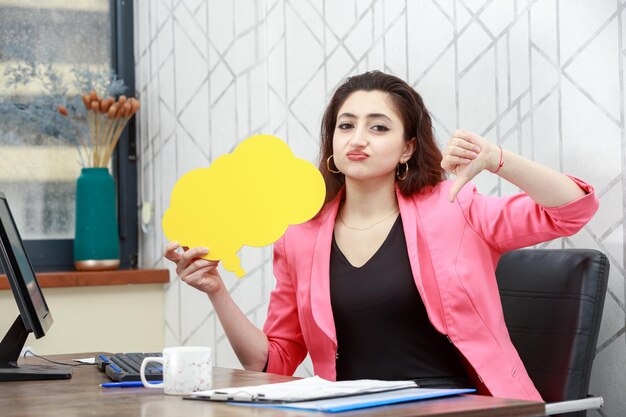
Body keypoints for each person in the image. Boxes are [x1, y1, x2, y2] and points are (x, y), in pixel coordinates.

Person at [164, 71, 599, 401]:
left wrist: (495, 158)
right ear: (331, 140)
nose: (358, 139)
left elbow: (571, 210)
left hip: (449, 405)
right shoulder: (298, 235)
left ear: (408, 147)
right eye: (346, 125)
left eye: (378, 127)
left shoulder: (455, 206)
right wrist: (216, 290)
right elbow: (272, 361)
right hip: (346, 407)